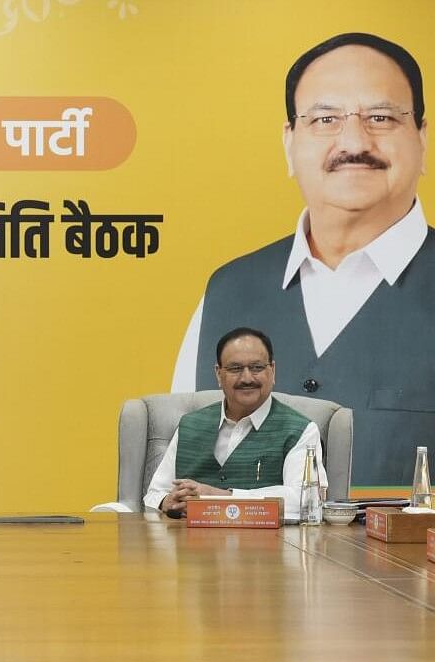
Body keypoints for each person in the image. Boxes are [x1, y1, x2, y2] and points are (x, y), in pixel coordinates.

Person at [173, 33, 430, 487]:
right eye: (325, 118)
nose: (354, 140)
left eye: (381, 117)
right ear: (290, 144)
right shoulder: (228, 288)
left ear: (423, 138)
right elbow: (177, 471)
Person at [150, 328, 327, 518]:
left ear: (272, 371)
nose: (247, 378)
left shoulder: (300, 430)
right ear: (218, 374)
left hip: (267, 544)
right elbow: (155, 494)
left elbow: (305, 501)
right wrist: (167, 501)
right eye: (235, 369)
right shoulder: (190, 425)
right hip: (189, 542)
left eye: (257, 367)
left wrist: (219, 496)